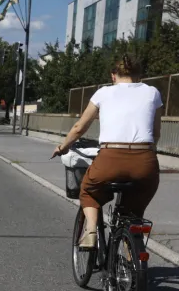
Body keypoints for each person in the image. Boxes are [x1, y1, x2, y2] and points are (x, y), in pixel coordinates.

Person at [52, 54, 163, 249]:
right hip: (144, 161)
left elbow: (80, 127)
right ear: (139, 75)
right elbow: (155, 133)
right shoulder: (152, 92)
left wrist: (64, 147)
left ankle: (91, 231)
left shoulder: (103, 93)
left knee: (88, 190)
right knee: (134, 213)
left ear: (113, 75)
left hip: (110, 158)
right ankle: (132, 260)